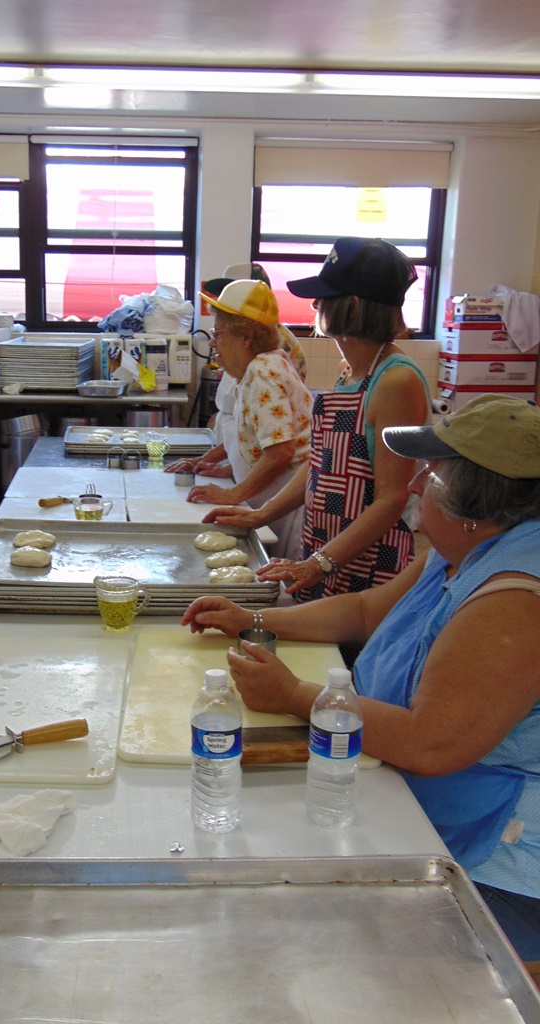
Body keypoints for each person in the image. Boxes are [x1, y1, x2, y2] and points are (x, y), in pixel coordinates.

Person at [181, 394, 540, 961]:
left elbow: (430, 742)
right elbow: (367, 611)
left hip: (493, 863)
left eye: (433, 475)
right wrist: (253, 619)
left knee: (324, 946)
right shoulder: (462, 550)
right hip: (397, 785)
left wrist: (296, 695)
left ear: (478, 504)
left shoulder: (516, 599)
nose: (415, 485)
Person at [201, 237, 430, 615]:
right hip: (324, 543)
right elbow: (319, 462)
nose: (314, 307)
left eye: (323, 298)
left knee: (346, 647)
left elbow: (392, 498)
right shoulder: (349, 372)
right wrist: (262, 514)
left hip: (366, 562)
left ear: (351, 307)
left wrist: (319, 563)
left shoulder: (395, 381)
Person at [168, 278, 313, 560]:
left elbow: (281, 452)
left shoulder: (263, 373)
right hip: (271, 491)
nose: (213, 342)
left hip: (287, 499)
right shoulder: (256, 367)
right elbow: (254, 435)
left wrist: (232, 495)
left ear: (245, 337)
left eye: (219, 333)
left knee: (280, 570)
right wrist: (222, 465)